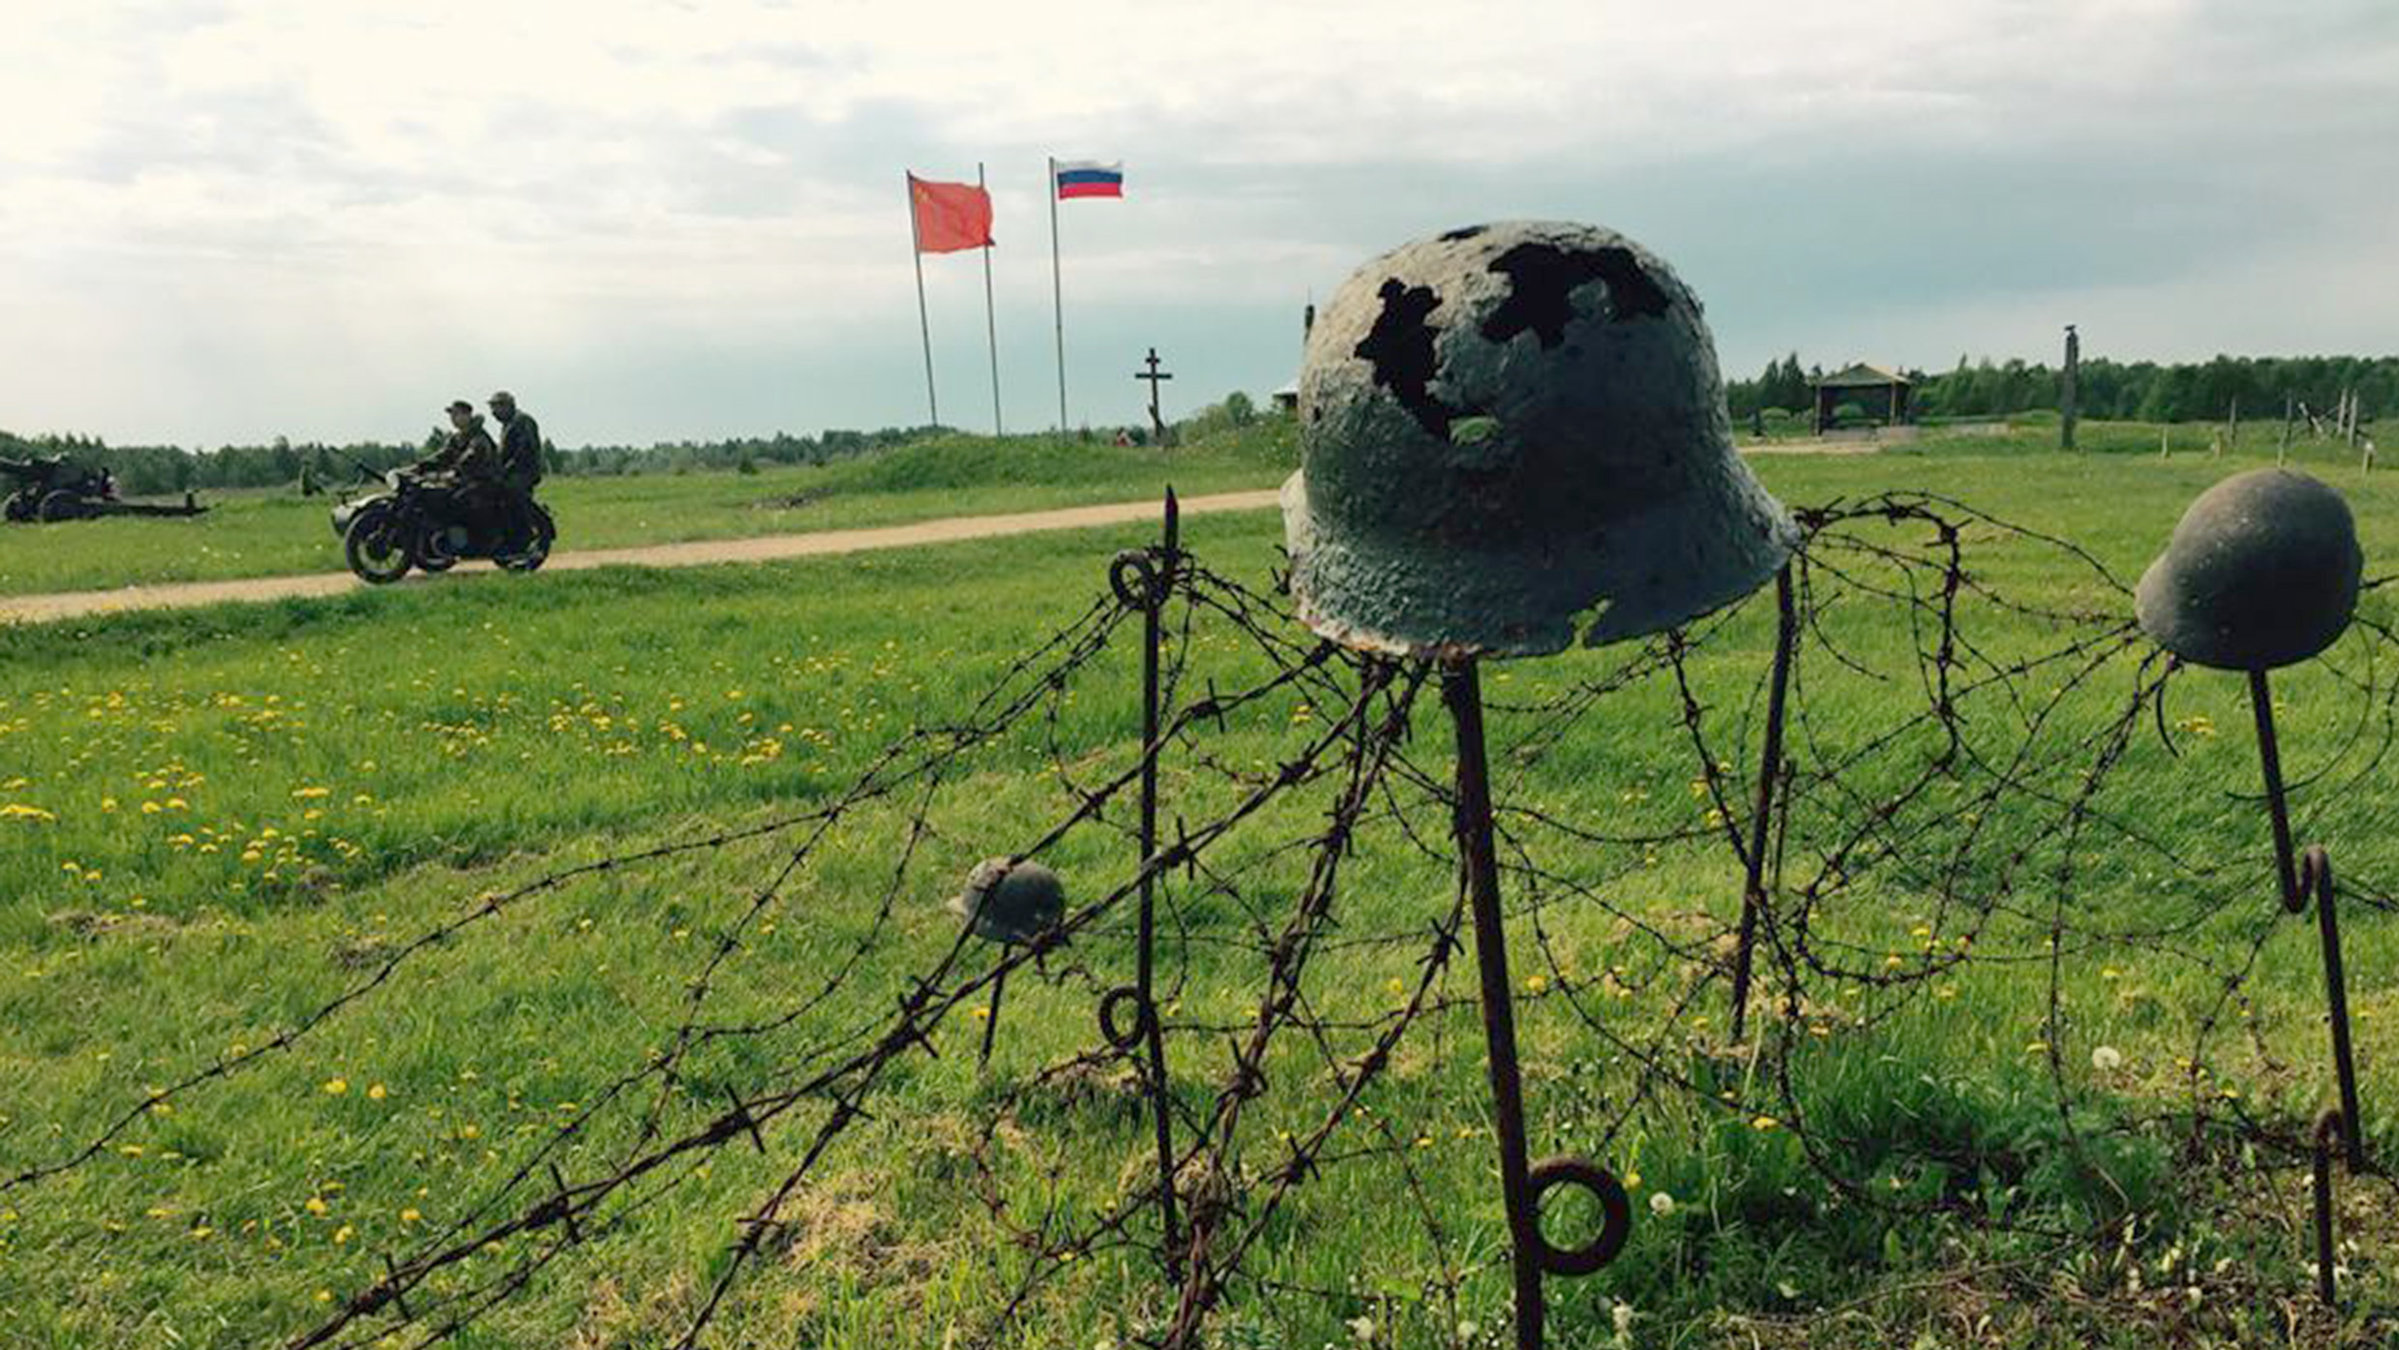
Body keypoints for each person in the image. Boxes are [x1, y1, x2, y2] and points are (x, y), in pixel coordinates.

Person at [486, 390, 543, 551]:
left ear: (508, 406)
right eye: (492, 408)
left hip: (524, 472)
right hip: (512, 470)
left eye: (496, 407)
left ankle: (526, 532)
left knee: (511, 493)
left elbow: (524, 449)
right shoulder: (508, 424)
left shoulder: (522, 420)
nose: (493, 412)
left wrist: (507, 468)